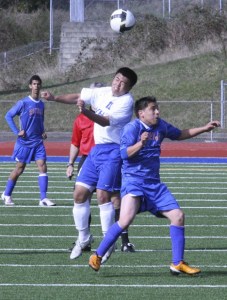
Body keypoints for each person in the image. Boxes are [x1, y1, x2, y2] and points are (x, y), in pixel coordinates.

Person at [89, 96, 221, 275]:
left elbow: (180, 134)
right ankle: (97, 255)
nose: (157, 112)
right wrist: (141, 143)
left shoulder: (161, 126)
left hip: (154, 184)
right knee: (125, 220)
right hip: (133, 181)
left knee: (178, 216)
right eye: (153, 109)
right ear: (141, 113)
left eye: (157, 108)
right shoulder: (132, 128)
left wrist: (204, 128)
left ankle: (177, 263)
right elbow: (124, 154)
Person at [41, 67, 138, 261]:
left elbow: (104, 121)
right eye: (116, 79)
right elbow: (79, 95)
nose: (117, 84)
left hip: (113, 151)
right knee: (79, 194)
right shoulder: (102, 92)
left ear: (128, 88)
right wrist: (54, 98)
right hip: (96, 150)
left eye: (123, 83)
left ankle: (107, 242)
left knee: (103, 195)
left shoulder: (126, 102)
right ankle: (84, 238)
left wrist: (85, 111)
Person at [66, 82, 135, 254]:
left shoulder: (112, 110)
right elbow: (75, 142)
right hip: (89, 157)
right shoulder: (81, 119)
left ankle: (119, 241)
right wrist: (70, 163)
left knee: (110, 197)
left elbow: (111, 124)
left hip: (110, 156)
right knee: (80, 195)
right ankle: (83, 239)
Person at [1, 75, 55, 207]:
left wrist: (42, 131)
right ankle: (6, 194)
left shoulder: (41, 104)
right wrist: (16, 132)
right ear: (30, 86)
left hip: (38, 142)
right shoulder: (23, 103)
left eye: (38, 84)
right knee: (19, 169)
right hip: (24, 143)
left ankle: (43, 198)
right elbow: (8, 116)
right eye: (34, 84)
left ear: (41, 86)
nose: (36, 86)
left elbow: (40, 119)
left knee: (42, 166)